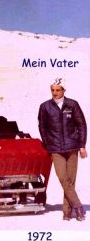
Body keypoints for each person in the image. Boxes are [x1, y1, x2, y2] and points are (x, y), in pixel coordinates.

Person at [38, 78, 87, 221]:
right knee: (63, 179)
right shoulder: (45, 107)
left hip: (72, 147)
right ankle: (78, 207)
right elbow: (42, 127)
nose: (55, 93)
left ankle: (67, 212)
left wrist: (82, 145)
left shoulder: (72, 104)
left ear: (64, 90)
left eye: (58, 90)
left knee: (70, 180)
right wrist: (48, 144)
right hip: (56, 149)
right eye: (52, 90)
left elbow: (81, 125)